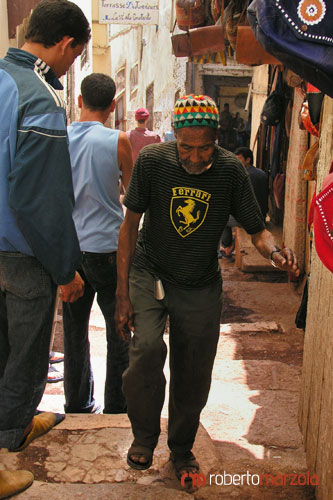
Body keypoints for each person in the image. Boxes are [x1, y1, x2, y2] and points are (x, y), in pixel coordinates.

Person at [115, 94, 299, 482]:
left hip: (199, 284)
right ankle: (144, 437)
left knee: (194, 371)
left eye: (205, 148)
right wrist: (122, 295)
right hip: (150, 273)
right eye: (186, 147)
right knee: (146, 349)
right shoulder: (152, 162)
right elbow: (129, 227)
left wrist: (275, 253)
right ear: (174, 137)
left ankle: (181, 450)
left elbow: (258, 230)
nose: (196, 157)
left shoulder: (231, 171)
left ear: (217, 137)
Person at [0, 0, 90, 454]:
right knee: (27, 355)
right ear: (65, 44)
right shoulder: (41, 93)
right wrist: (64, 268)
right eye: (74, 55)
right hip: (22, 251)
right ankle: (9, 441)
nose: (70, 63)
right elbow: (40, 197)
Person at [63, 73, 133, 415]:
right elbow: (133, 198)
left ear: (79, 101)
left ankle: (77, 405)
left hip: (71, 251)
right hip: (108, 250)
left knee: (75, 333)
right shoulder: (119, 141)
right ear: (113, 106)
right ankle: (117, 408)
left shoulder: (58, 139)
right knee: (119, 327)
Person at [219, 146, 269, 258]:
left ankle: (226, 247)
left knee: (222, 218)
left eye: (238, 159)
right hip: (262, 215)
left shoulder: (243, 175)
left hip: (250, 219)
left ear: (247, 160)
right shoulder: (261, 173)